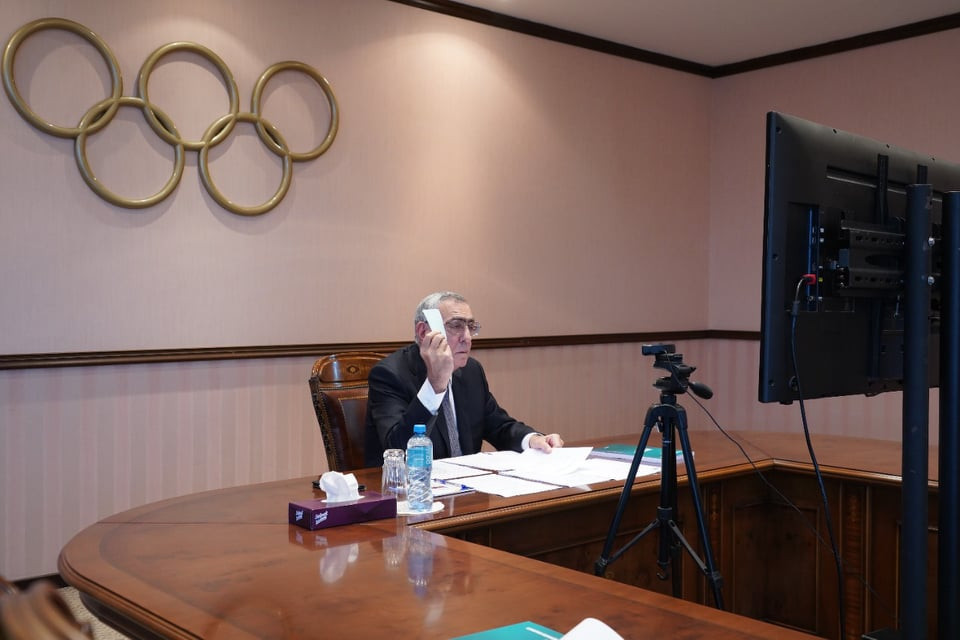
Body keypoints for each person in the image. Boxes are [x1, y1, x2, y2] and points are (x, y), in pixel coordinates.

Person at [364, 291, 564, 466]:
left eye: (471, 326)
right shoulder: (389, 374)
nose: (467, 337)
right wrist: (434, 386)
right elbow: (397, 448)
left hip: (467, 487)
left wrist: (533, 439)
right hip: (410, 490)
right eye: (456, 326)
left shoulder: (471, 371)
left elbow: (499, 426)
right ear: (424, 332)